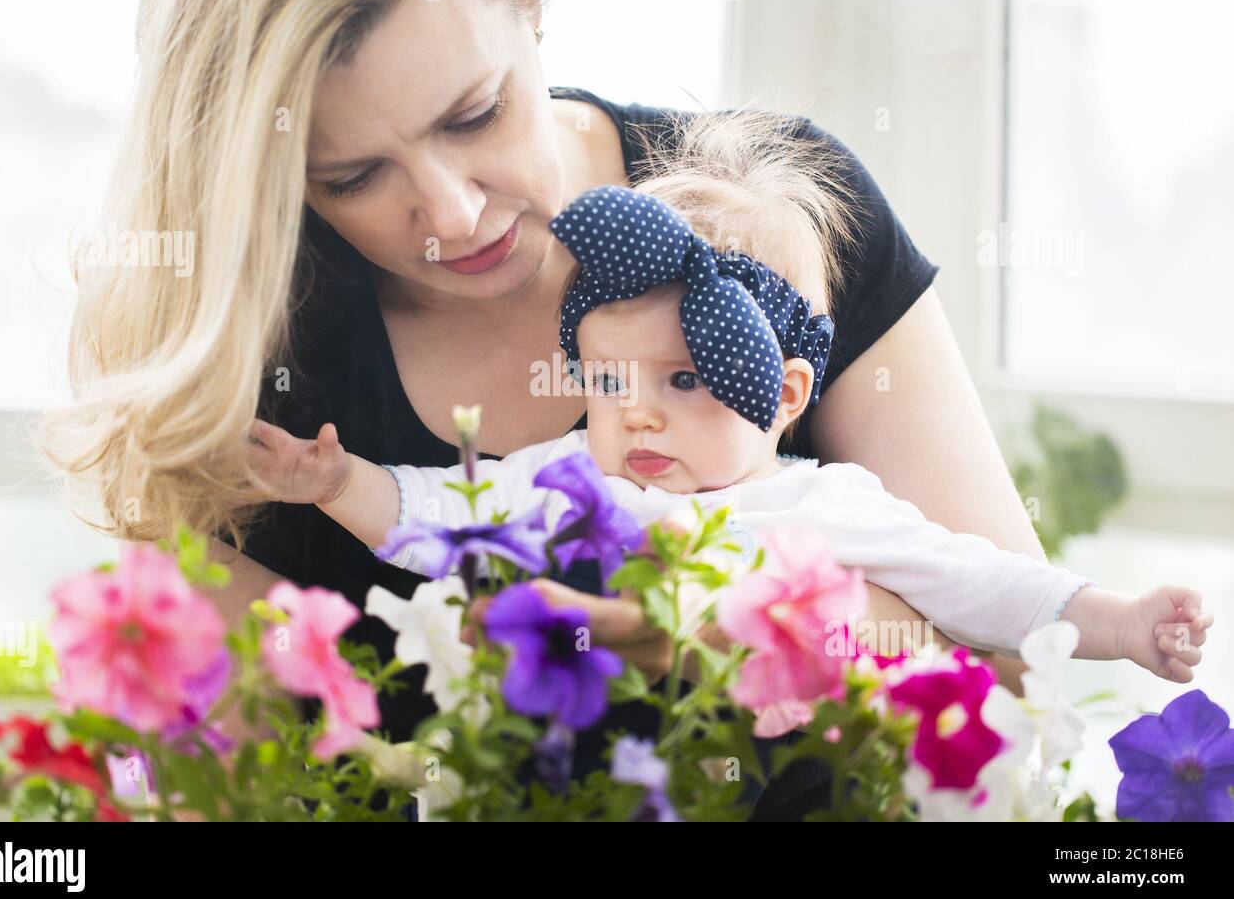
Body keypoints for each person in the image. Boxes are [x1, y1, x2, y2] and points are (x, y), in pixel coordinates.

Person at [41, 0, 1057, 811]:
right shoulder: (257, 353)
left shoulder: (778, 211)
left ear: (531, 9)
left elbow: (1019, 683)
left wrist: (719, 623)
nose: (450, 215)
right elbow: (253, 772)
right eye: (351, 177)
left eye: (475, 115)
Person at [242, 162, 1211, 688]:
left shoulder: (824, 506)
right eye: (610, 377)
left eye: (685, 378)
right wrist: (337, 484)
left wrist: (1120, 624)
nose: (638, 409)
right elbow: (440, 517)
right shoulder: (576, 476)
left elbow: (985, 586)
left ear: (786, 393)